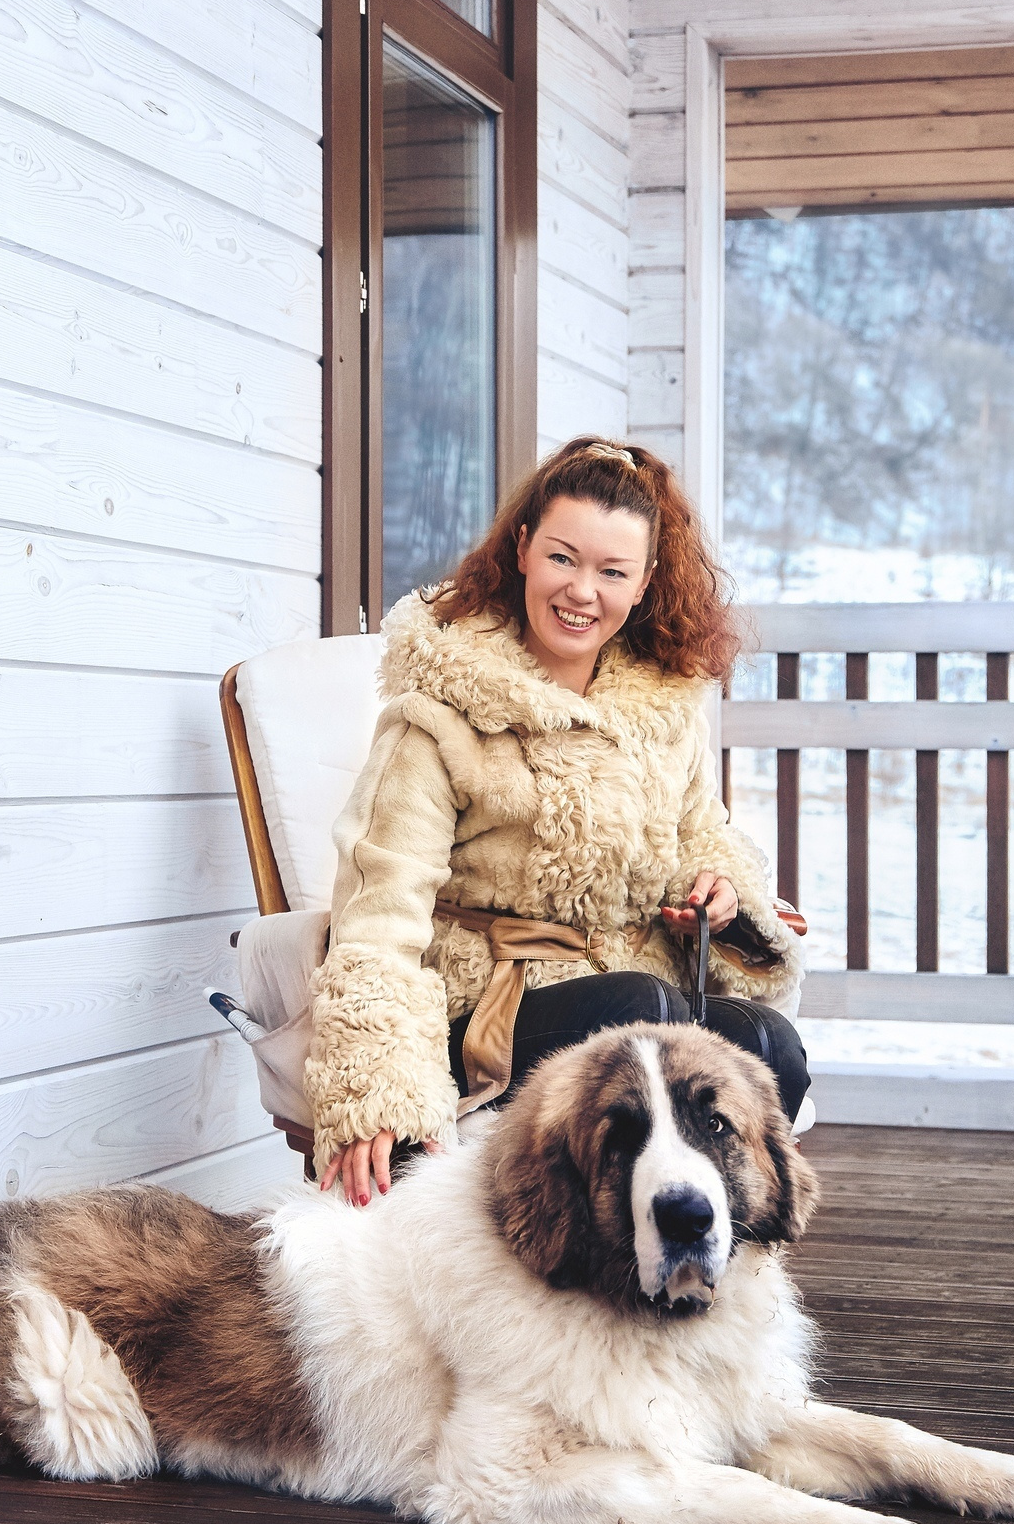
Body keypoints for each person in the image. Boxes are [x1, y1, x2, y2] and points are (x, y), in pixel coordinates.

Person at [306, 436, 808, 1206]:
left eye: (612, 571)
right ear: (522, 550)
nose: (582, 590)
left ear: (643, 584)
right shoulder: (440, 713)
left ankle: (693, 1257)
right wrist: (378, 1087)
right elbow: (378, 912)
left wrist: (716, 889)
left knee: (766, 1048)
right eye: (563, 558)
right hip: (490, 1014)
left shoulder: (666, 709)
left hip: (642, 987)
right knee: (644, 1016)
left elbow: (701, 829)